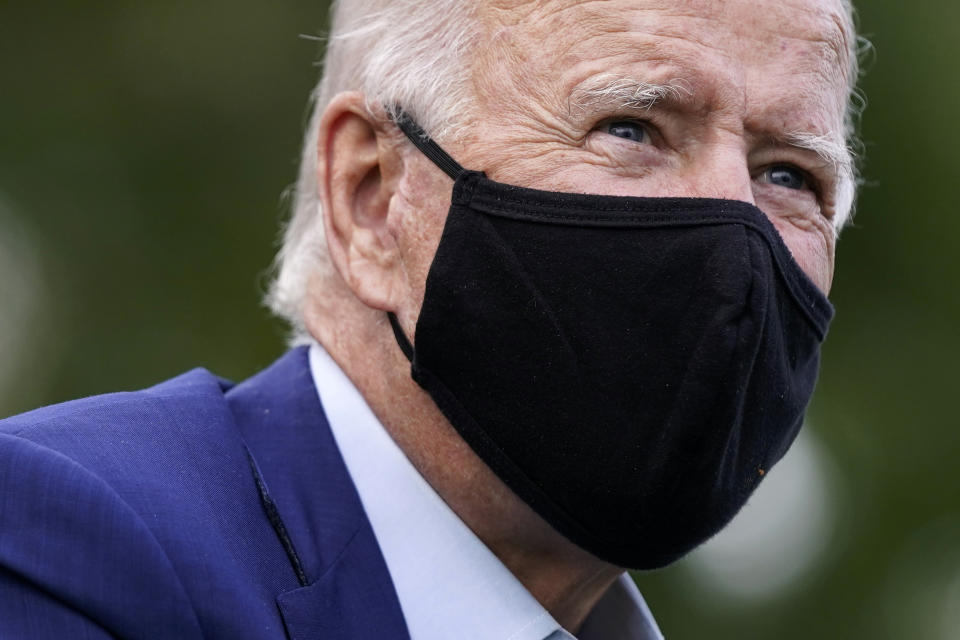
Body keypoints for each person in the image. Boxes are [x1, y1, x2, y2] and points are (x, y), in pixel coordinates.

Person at [0, 0, 864, 637]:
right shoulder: (69, 547)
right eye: (632, 127)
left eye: (789, 175)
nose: (732, 225)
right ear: (373, 197)